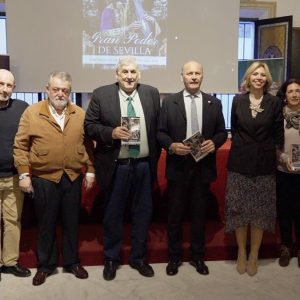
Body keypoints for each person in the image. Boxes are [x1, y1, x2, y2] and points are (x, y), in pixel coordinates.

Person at [13, 71, 95, 286]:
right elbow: (20, 146)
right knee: (46, 224)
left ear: (70, 91)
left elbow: (88, 145)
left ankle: (72, 262)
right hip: (44, 178)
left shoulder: (79, 113)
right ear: (47, 89)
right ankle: (45, 266)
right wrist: (23, 174)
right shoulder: (32, 112)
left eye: (65, 90)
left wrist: (91, 170)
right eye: (56, 89)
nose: (60, 93)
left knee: (71, 222)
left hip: (72, 176)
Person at [84, 56, 160, 281]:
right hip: (117, 165)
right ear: (117, 75)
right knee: (113, 214)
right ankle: (111, 258)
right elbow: (89, 126)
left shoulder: (151, 93)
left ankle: (138, 258)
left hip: (144, 164)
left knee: (143, 213)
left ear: (139, 75)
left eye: (133, 72)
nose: (129, 76)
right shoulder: (101, 94)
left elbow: (158, 126)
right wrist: (111, 133)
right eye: (124, 72)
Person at [157, 60, 227, 276]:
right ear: (182, 77)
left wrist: (215, 143)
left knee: (199, 216)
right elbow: (160, 132)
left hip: (202, 168)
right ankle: (174, 257)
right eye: (190, 73)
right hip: (178, 167)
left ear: (202, 76)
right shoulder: (169, 102)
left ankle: (198, 257)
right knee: (175, 216)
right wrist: (170, 146)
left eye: (197, 73)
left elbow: (222, 132)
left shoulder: (213, 103)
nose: (194, 77)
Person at [225, 62, 284, 276]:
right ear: (248, 78)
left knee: (259, 212)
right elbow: (235, 129)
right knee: (239, 211)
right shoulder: (238, 101)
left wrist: (280, 155)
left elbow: (278, 135)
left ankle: (254, 254)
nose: (258, 77)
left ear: (267, 79)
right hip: (240, 162)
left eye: (262, 74)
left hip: (264, 164)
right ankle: (241, 251)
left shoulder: (275, 102)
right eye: (254, 74)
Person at [0, 69, 31, 281]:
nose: (4, 89)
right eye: (1, 84)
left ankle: (9, 262)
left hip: (12, 176)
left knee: (13, 221)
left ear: (14, 87)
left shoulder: (22, 108)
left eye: (9, 85)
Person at [276, 78, 300, 268]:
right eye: (290, 91)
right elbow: (273, 142)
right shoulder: (279, 115)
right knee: (284, 211)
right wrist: (284, 158)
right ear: (285, 95)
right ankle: (285, 247)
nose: (294, 94)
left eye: (297, 91)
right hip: (282, 169)